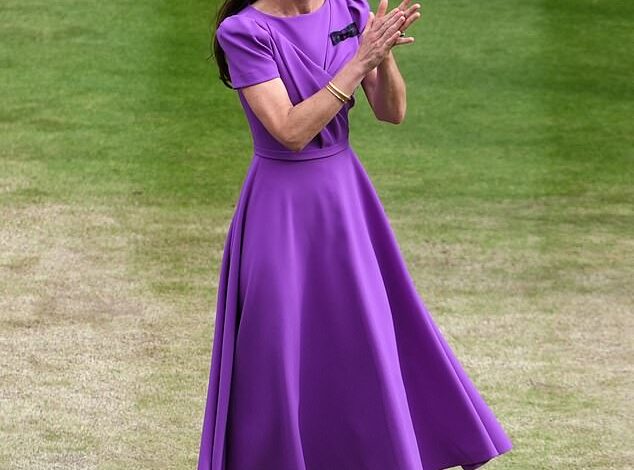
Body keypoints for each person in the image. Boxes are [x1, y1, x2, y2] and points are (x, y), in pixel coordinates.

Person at [197, 0, 513, 468]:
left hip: (345, 202)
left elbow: (392, 111)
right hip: (280, 211)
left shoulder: (351, 10)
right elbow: (290, 131)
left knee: (363, 336)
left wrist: (381, 54)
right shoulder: (243, 32)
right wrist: (359, 61)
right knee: (278, 346)